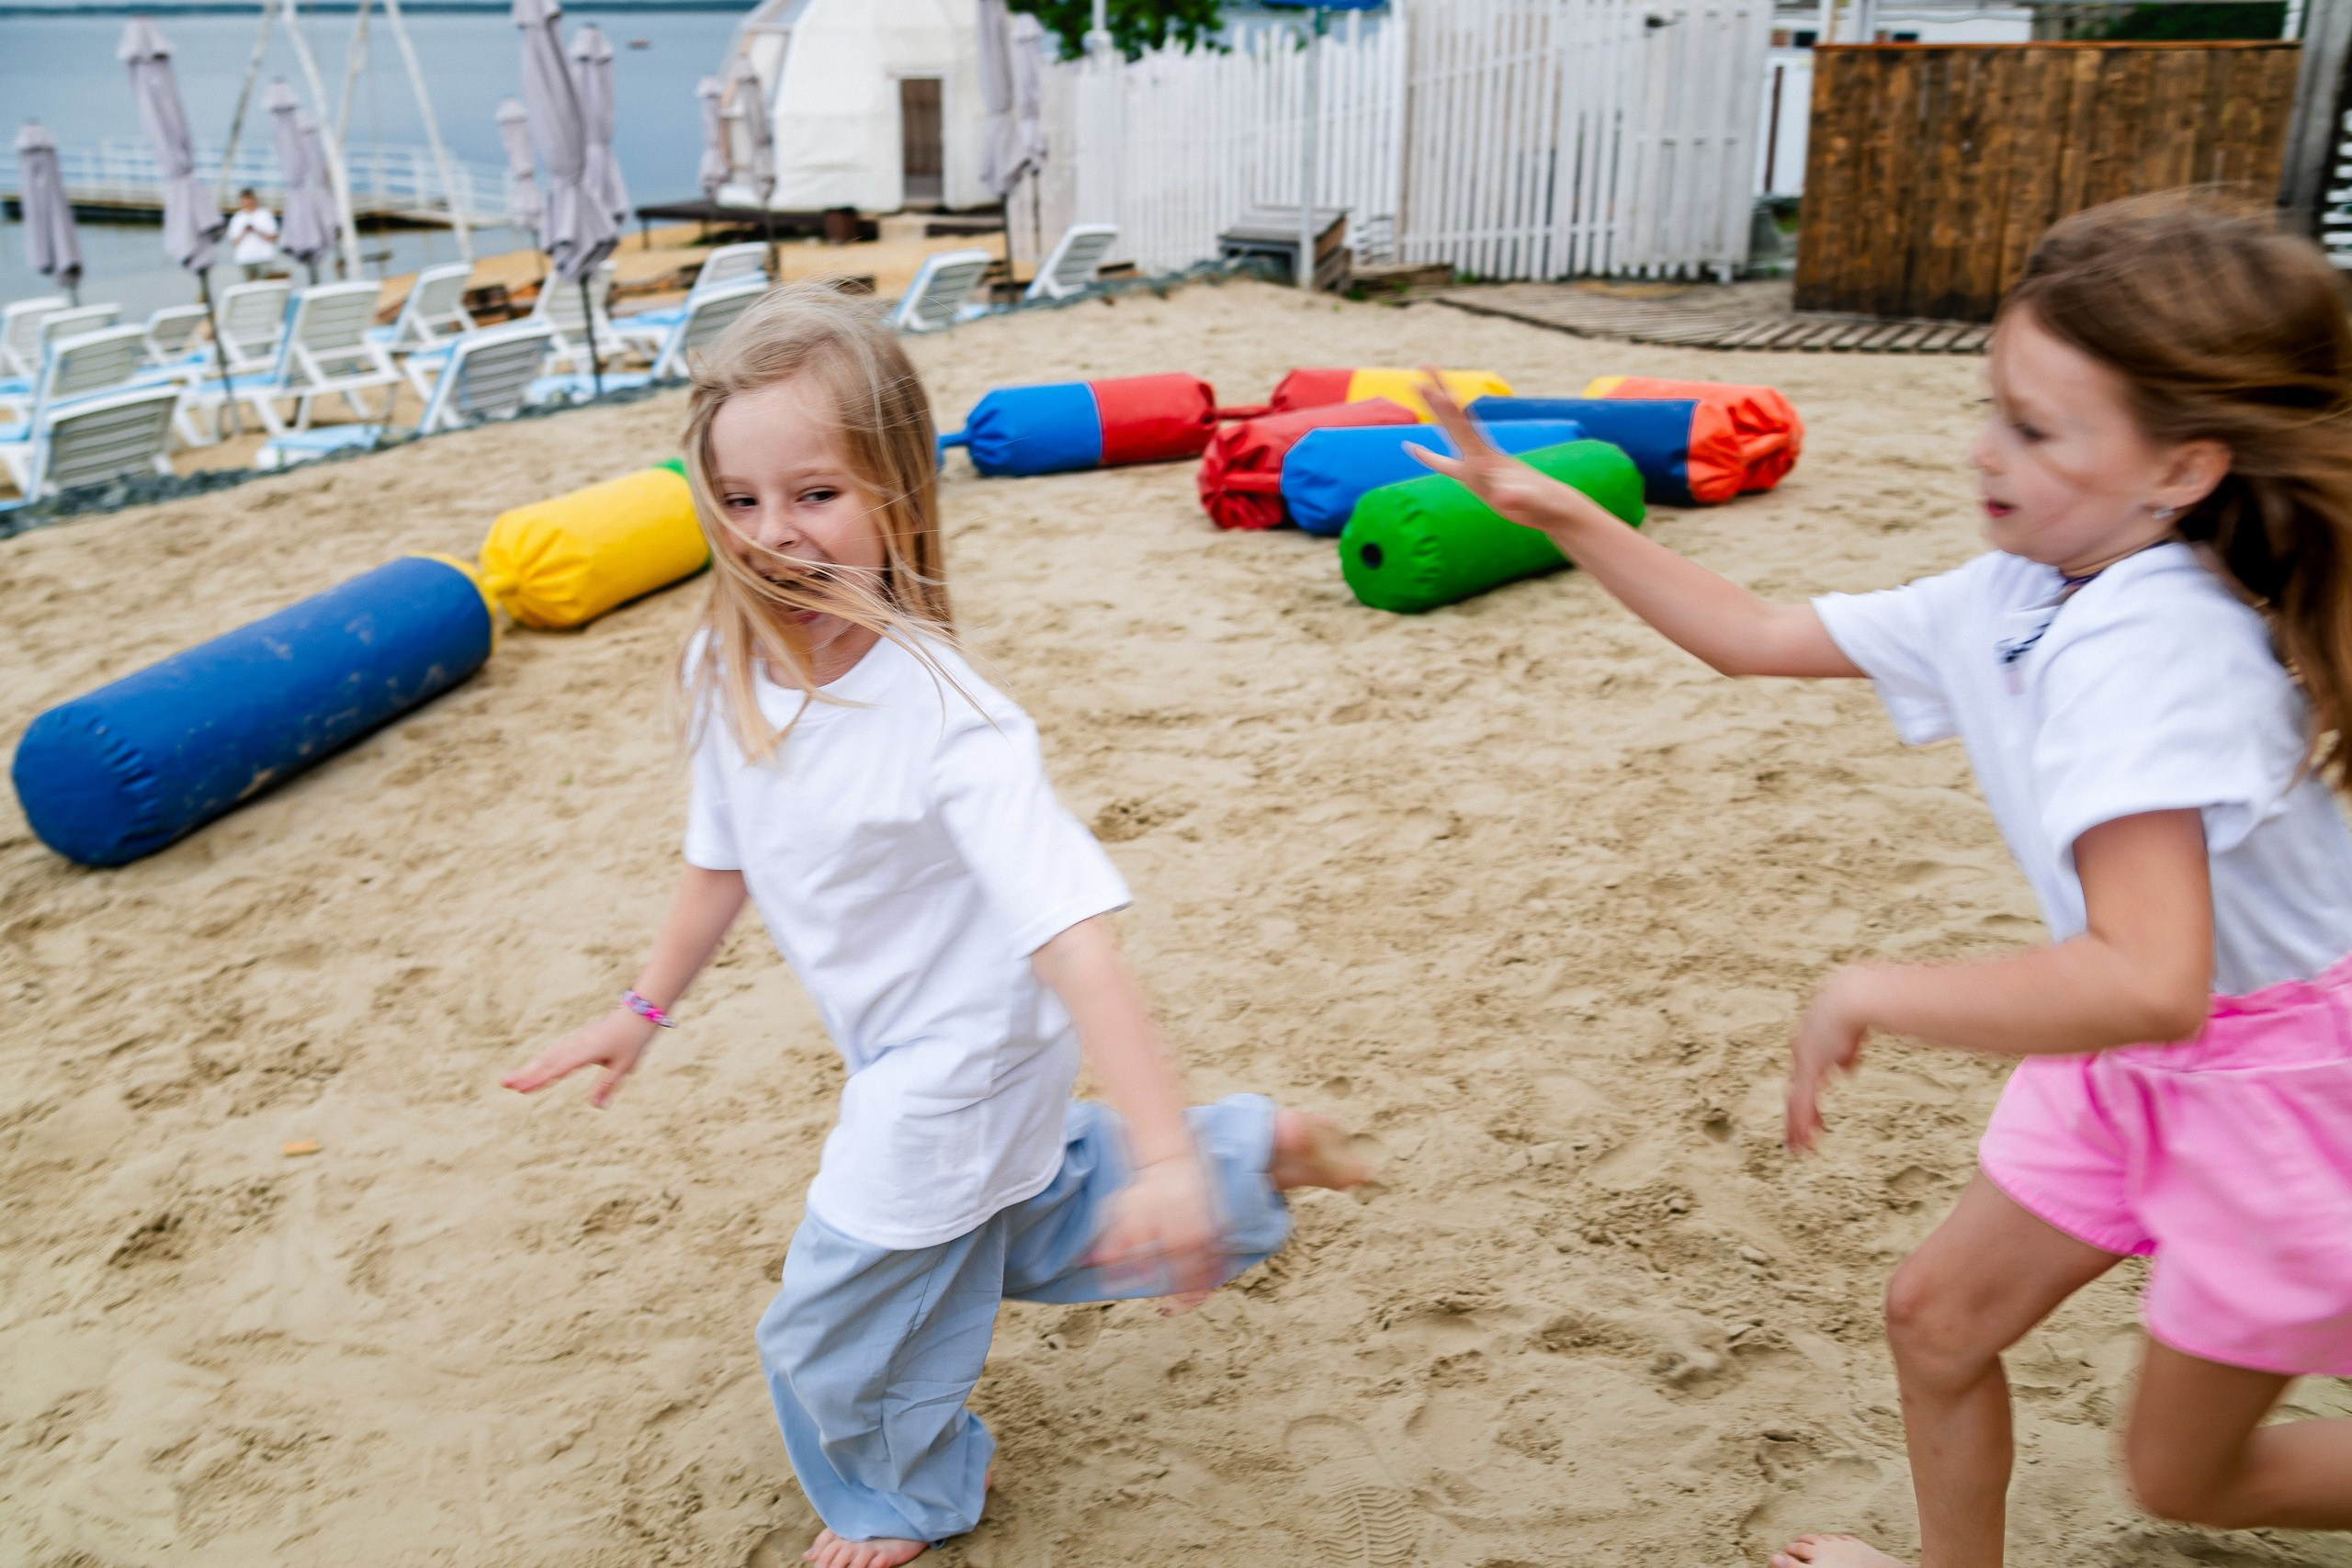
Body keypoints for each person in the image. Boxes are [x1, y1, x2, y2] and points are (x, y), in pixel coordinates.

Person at [1408, 195, 2352, 1568]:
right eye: (1993, 405)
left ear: (2183, 466)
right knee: (1938, 1318)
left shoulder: (2160, 648)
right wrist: (1554, 510)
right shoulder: (2023, 591)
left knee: (2184, 1471)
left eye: (2038, 429)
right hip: (2139, 1063)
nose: (1987, 450)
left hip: (2271, 1084)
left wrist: (1872, 988)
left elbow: (2151, 977)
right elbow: (1755, 633)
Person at [501, 283, 1368, 1568]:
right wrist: (639, 1012)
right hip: (934, 1050)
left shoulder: (953, 717)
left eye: (816, 495)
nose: (774, 535)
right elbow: (719, 859)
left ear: (898, 498)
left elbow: (1076, 934)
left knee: (822, 1326)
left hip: (952, 1061)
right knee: (1012, 1224)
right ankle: (1245, 1152)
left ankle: (908, 1492)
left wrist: (1159, 1146)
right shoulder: (719, 663)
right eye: (738, 500)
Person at [226, 188, 279, 282]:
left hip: (264, 257)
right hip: (244, 259)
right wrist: (244, 232)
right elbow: (234, 242)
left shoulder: (264, 215)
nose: (247, 202)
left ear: (254, 199)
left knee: (266, 285)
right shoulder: (237, 218)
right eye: (244, 199)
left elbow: (274, 237)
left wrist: (257, 231)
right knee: (248, 287)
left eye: (249, 199)